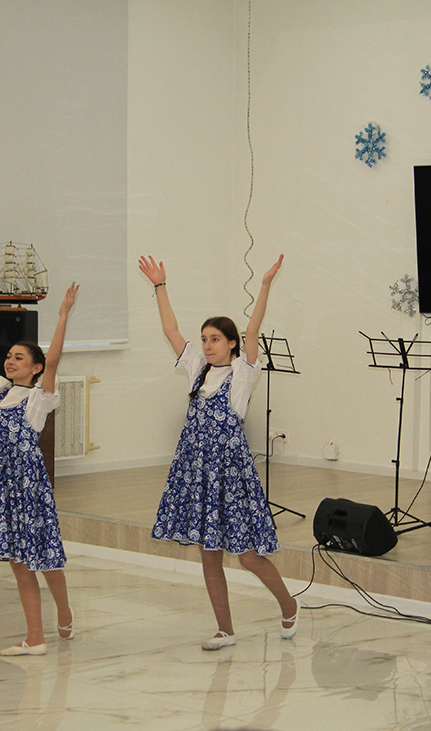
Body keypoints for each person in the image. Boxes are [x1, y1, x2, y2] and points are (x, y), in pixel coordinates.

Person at [138, 253, 299, 651]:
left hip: (230, 473)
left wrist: (264, 285)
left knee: (246, 556)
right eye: (205, 339)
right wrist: (160, 286)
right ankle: (225, 630)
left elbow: (254, 329)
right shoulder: (197, 368)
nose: (208, 345)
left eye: (215, 339)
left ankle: (289, 605)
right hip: (197, 471)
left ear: (230, 343)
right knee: (209, 554)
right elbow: (170, 329)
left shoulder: (242, 373)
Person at [0, 277, 78, 656]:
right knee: (18, 560)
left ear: (36, 368)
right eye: (9, 356)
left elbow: (54, 360)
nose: (10, 361)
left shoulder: (39, 399)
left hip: (27, 487)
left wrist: (62, 316)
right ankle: (35, 637)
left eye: (19, 358)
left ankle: (64, 608)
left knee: (44, 557)